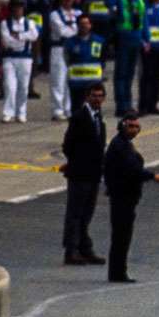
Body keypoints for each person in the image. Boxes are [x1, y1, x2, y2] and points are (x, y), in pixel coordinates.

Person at [102, 112, 159, 283]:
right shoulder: (120, 145)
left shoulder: (124, 143)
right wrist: (153, 176)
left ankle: (118, 271)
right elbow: (132, 169)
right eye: (131, 126)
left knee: (122, 235)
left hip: (125, 195)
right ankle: (117, 272)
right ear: (123, 126)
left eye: (137, 127)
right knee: (121, 235)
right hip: (122, 195)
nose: (134, 130)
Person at [61, 81, 108, 265]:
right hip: (80, 174)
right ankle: (71, 250)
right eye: (94, 96)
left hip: (93, 174)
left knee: (87, 213)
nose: (97, 99)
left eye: (100, 96)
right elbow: (68, 145)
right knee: (75, 213)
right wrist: (77, 163)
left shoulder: (98, 118)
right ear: (87, 97)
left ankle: (84, 247)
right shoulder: (79, 118)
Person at [0, 0, 35, 124]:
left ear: (23, 9)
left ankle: (21, 113)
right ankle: (8, 113)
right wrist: (24, 37)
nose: (17, 10)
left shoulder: (30, 22)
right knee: (9, 85)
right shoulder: (4, 23)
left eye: (20, 7)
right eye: (15, 7)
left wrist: (18, 36)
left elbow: (34, 36)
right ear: (11, 9)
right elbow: (7, 41)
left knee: (23, 86)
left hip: (25, 58)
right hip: (9, 58)